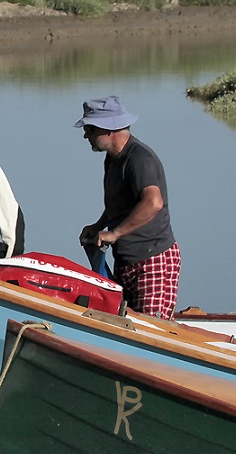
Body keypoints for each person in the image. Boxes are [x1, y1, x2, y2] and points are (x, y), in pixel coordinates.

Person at [75, 95, 181, 320]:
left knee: (149, 331)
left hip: (152, 261)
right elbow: (120, 203)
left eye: (90, 129)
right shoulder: (113, 159)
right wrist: (99, 225)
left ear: (109, 129)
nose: (86, 135)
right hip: (127, 259)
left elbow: (153, 202)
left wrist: (115, 233)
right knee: (126, 322)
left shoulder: (139, 159)